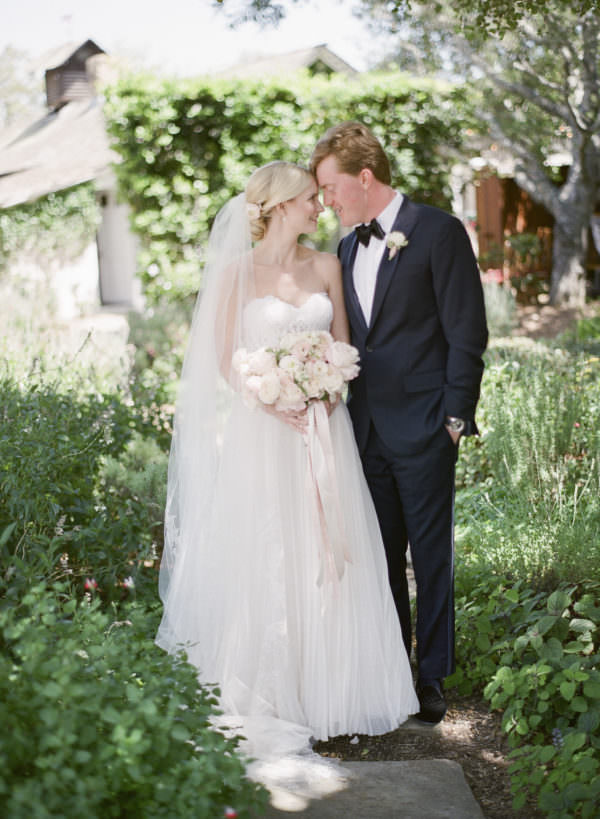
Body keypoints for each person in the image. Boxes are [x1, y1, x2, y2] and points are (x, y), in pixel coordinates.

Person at [156, 161, 418, 767]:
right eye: (308, 198)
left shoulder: (327, 265)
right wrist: (272, 398)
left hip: (325, 431)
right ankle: (271, 685)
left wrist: (323, 390)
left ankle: (334, 691)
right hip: (263, 434)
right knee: (267, 548)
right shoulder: (235, 273)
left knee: (329, 550)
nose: (319, 206)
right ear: (278, 206)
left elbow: (345, 348)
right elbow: (223, 358)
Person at [311, 123, 488, 724]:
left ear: (365, 178)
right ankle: (393, 674)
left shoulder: (439, 231)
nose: (327, 201)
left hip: (426, 427)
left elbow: (467, 333)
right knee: (380, 558)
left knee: (431, 558)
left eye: (332, 188)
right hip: (363, 433)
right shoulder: (342, 249)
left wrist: (455, 418)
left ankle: (433, 676)